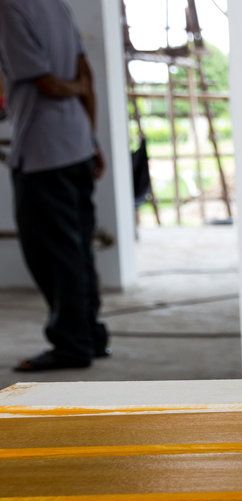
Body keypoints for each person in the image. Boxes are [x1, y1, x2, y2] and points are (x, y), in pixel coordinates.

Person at [0, 0, 107, 372]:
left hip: (43, 151)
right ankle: (91, 336)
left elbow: (46, 82)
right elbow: (85, 76)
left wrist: (72, 87)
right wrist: (91, 140)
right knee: (78, 248)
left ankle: (71, 344)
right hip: (76, 144)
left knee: (51, 254)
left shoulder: (11, 10)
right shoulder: (56, 5)